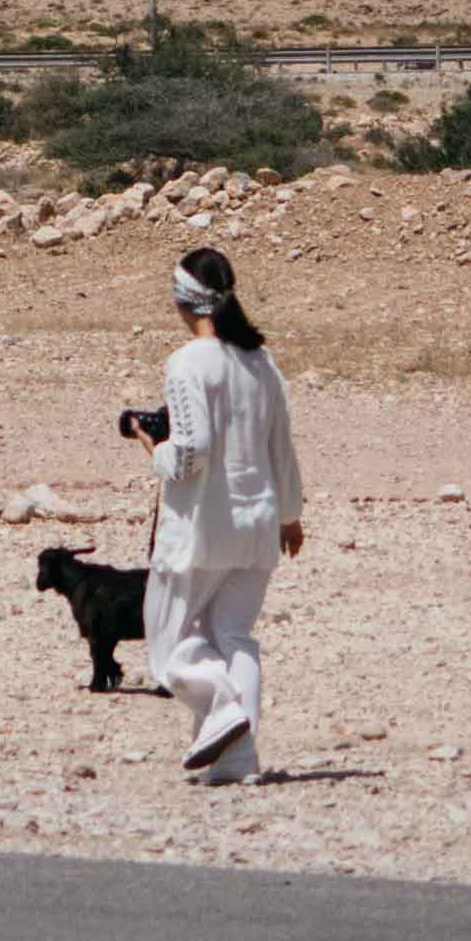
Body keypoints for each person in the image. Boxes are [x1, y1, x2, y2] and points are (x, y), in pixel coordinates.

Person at [128, 242, 303, 783]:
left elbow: (191, 450)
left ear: (184, 302)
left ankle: (224, 708)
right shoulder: (261, 362)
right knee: (235, 634)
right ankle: (240, 759)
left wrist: (149, 447)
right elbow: (282, 446)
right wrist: (290, 514)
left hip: (204, 527)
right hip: (260, 523)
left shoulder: (186, 364)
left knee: (167, 644)